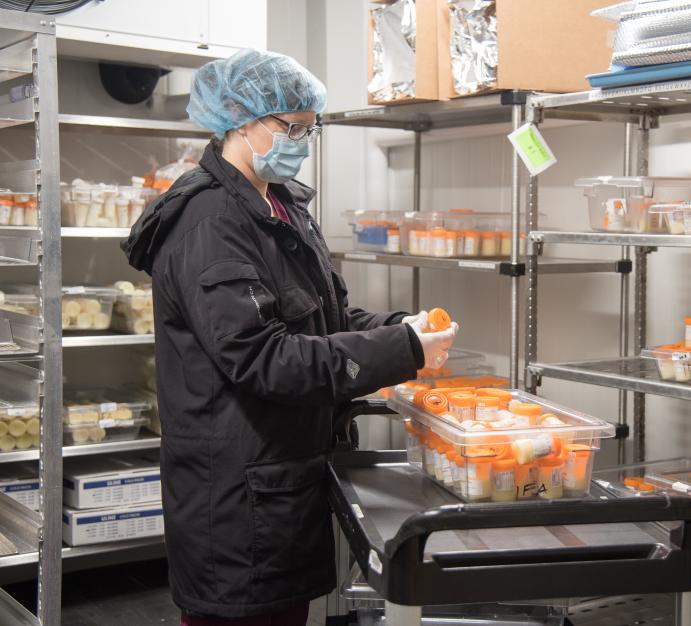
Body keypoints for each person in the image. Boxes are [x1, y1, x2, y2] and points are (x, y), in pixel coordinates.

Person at [122, 49, 457, 625]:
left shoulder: (277, 204)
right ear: (238, 118)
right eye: (291, 127)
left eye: (309, 128)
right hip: (234, 497)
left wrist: (401, 328)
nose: (302, 140)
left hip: (281, 477)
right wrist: (401, 353)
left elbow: (326, 317)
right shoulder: (210, 223)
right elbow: (266, 360)